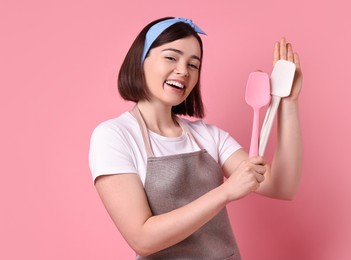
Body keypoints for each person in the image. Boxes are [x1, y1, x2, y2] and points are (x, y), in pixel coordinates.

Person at [89, 17, 302, 259]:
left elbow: (282, 186)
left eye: (193, 65)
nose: (183, 71)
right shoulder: (114, 136)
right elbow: (142, 239)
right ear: (140, 61)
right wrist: (225, 192)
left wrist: (288, 103)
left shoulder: (208, 136)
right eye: (171, 57)